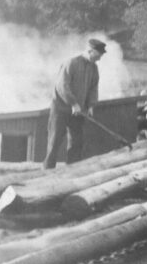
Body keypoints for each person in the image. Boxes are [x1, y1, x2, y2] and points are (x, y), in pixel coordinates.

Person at [43, 38, 104, 169]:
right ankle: (46, 172)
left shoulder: (94, 69)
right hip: (60, 108)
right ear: (90, 51)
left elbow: (93, 88)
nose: (99, 59)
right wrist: (73, 103)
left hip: (78, 111)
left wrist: (91, 106)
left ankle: (72, 172)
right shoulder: (71, 63)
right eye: (98, 56)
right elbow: (62, 86)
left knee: (77, 143)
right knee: (54, 142)